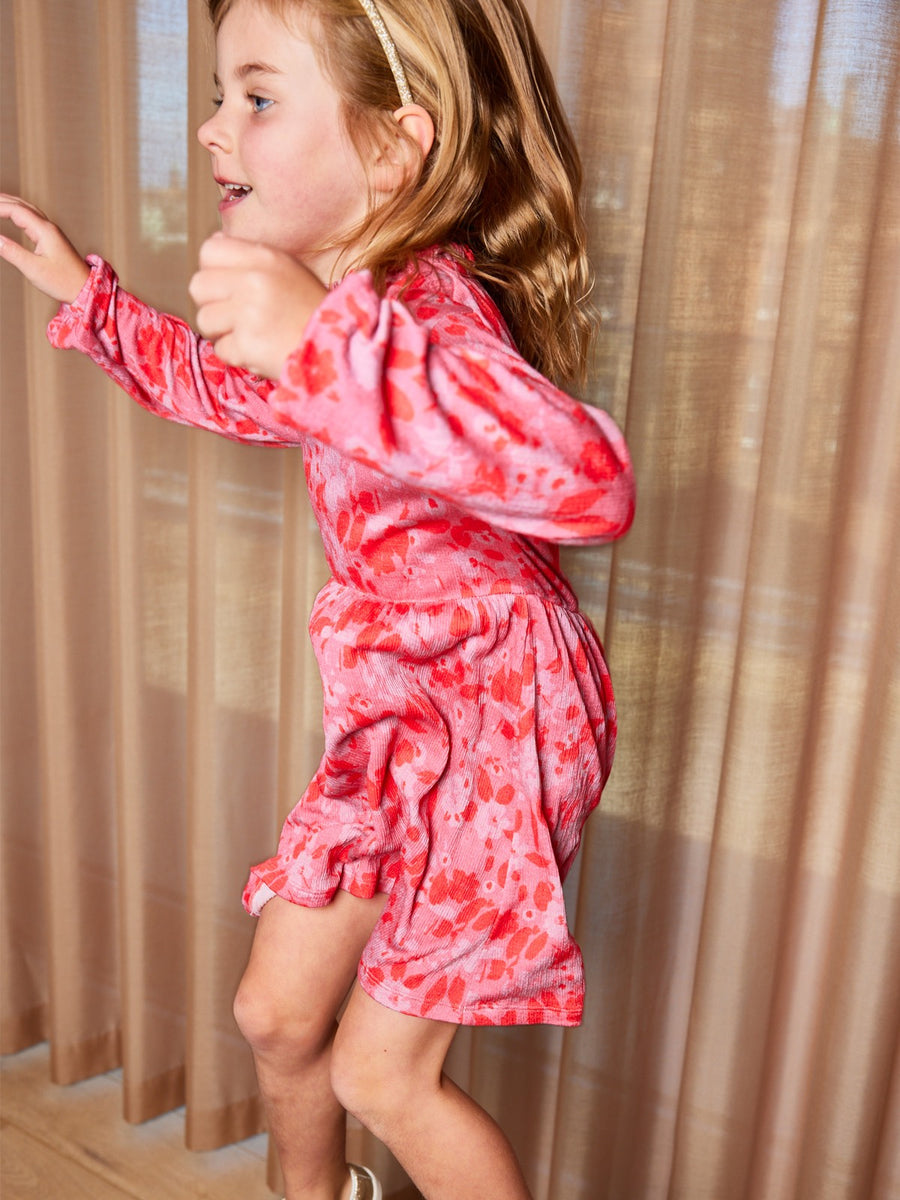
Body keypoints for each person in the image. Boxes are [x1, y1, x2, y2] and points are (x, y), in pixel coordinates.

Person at [0, 0, 635, 1196]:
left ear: (395, 148)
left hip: (497, 719)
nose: (210, 129)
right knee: (277, 1016)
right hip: (399, 713)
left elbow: (590, 483)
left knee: (381, 1078)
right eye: (220, 96)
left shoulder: (432, 307)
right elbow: (229, 390)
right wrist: (87, 298)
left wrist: (335, 344)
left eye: (255, 96)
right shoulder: (347, 303)